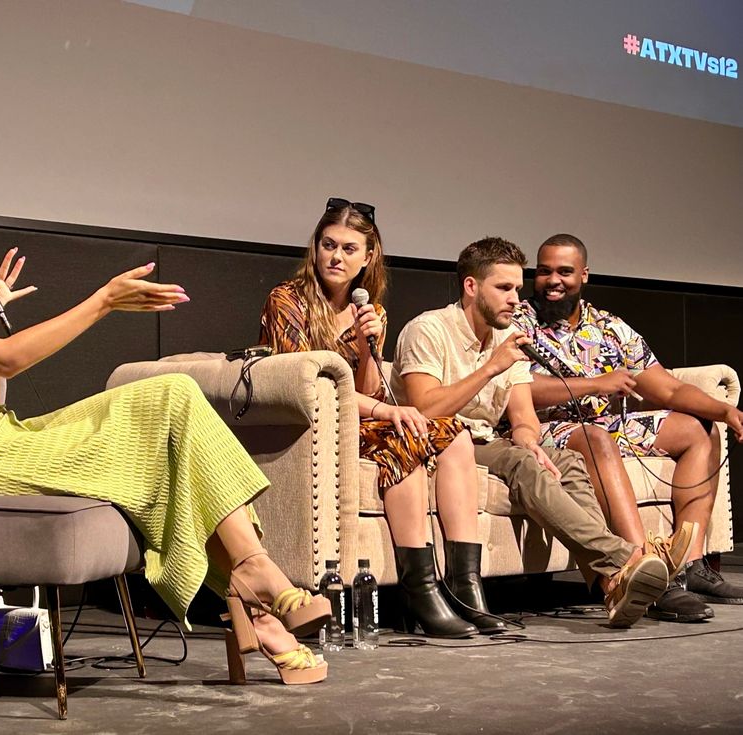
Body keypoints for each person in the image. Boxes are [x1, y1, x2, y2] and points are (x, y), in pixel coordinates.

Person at [0, 171, 330, 685]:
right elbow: (8, 360)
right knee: (170, 400)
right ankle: (257, 586)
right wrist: (103, 301)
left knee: (175, 402)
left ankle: (256, 594)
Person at [392, 236, 682, 628]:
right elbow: (425, 410)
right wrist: (490, 368)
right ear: (471, 286)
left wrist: (531, 440)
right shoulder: (428, 329)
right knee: (520, 463)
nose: (515, 298)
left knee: (566, 462)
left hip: (488, 439)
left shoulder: (506, 340)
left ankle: (610, 583)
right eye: (504, 288)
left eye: (516, 287)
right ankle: (625, 557)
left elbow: (524, 416)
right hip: (444, 442)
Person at [259, 197, 501, 638]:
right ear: (314, 247)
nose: (336, 257)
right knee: (403, 433)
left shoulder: (372, 312)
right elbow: (307, 387)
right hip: (310, 425)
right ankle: (420, 589)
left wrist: (370, 341)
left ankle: (467, 585)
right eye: (328, 245)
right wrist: (389, 410)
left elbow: (368, 388)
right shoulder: (287, 300)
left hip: (356, 416)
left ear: (368, 258)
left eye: (350, 249)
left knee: (454, 435)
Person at [512, 233, 743, 621]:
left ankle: (689, 565)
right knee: (596, 437)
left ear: (584, 274)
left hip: (610, 424)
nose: (553, 280)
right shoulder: (518, 320)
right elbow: (516, 387)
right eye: (545, 271)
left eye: (565, 271)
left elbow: (665, 386)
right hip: (548, 428)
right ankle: (645, 572)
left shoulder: (609, 326)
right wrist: (596, 384)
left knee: (698, 430)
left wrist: (723, 411)